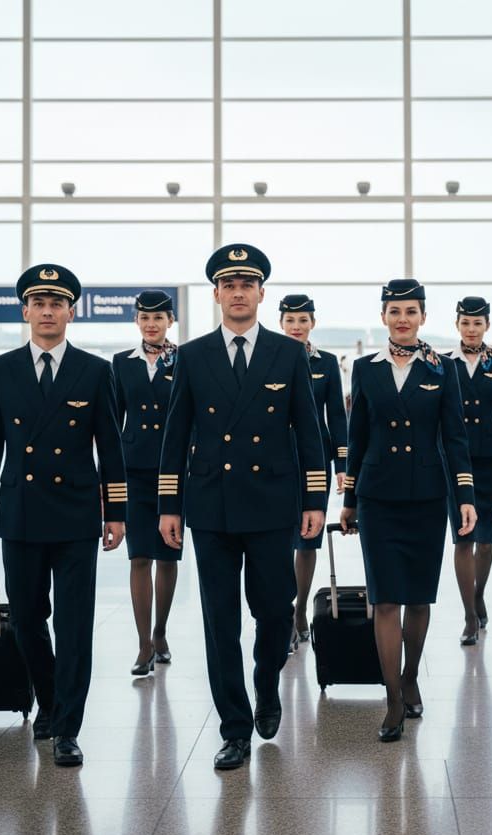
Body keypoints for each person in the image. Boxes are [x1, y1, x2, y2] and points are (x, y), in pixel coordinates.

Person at [157, 243, 327, 771]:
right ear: (216, 295)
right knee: (219, 620)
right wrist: (169, 504)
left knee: (275, 610)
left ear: (259, 294)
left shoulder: (288, 352)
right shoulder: (194, 354)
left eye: (246, 285)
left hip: (273, 502)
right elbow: (175, 431)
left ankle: (266, 684)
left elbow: (309, 430)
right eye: (228, 285)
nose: (237, 293)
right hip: (211, 506)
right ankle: (234, 727)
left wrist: (315, 499)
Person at [0, 264, 127, 767]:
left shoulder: (95, 371)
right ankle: (50, 701)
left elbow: (111, 449)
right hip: (22, 514)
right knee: (29, 619)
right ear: (25, 311)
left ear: (71, 313)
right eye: (40, 303)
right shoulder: (2, 368)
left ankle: (68, 727)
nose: (49, 311)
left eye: (58, 304)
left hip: (76, 515)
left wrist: (115, 511)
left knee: (76, 625)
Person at [339, 278, 476, 743]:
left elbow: (456, 437)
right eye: (394, 311)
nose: (402, 319)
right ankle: (393, 696)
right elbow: (357, 437)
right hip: (377, 497)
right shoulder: (365, 367)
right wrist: (349, 500)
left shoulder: (443, 368)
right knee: (385, 599)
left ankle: (411, 673)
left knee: (418, 598)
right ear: (383, 317)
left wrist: (465, 497)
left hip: (426, 496)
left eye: (410, 311)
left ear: (422, 317)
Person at [112, 290, 182, 676]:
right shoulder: (122, 363)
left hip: (172, 471)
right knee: (139, 555)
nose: (151, 324)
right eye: (144, 318)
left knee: (168, 555)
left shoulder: (184, 360)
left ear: (170, 320)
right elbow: (112, 420)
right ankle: (143, 644)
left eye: (158, 318)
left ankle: (160, 632)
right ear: (137, 321)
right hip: (134, 469)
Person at [277, 294, 347, 646]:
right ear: (280, 324)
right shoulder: (269, 358)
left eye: (303, 320)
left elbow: (336, 415)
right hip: (274, 459)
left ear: (312, 324)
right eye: (290, 321)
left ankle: (300, 607)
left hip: (315, 460)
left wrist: (342, 465)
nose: (296, 327)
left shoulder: (327, 363)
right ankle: (282, 611)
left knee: (308, 538)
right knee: (277, 537)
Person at [445, 296, 492, 645]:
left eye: (478, 323)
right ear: (457, 325)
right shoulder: (441, 363)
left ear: (487, 325)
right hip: (454, 463)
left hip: (489, 460)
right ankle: (469, 614)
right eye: (465, 323)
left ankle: (478, 593)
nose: (471, 329)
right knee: (462, 538)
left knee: (485, 542)